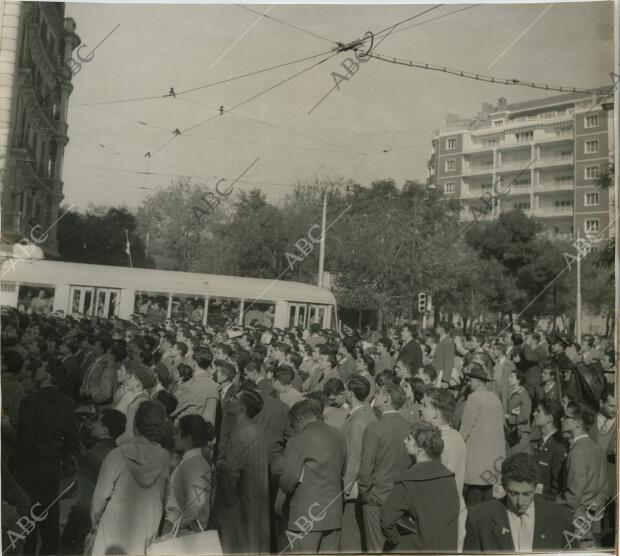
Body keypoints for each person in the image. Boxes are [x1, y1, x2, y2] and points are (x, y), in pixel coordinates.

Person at [11, 359, 78, 556]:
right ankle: (49, 551)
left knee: (28, 513)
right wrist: (61, 457)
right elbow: (71, 439)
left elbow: (26, 440)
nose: (35, 371)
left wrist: (14, 465)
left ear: (47, 374)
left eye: (40, 368)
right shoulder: (68, 403)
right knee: (49, 511)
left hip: (30, 465)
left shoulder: (30, 401)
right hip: (52, 466)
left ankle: (29, 552)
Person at [89, 401, 171, 556]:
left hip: (114, 528)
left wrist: (95, 524)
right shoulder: (166, 459)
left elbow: (99, 498)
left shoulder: (117, 455)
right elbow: (167, 499)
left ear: (135, 426)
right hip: (148, 526)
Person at [274, 398, 346, 553]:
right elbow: (343, 470)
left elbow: (288, 480)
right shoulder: (339, 435)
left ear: (299, 419)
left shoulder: (299, 439)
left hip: (305, 515)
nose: (293, 429)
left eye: (293, 425)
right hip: (334, 512)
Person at [464, 453, 573, 552]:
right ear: (504, 486)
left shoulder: (561, 517)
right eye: (514, 494)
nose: (520, 502)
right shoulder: (479, 518)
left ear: (536, 487)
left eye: (527, 494)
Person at [381, 422, 459, 552]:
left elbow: (386, 520)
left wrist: (399, 542)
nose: (404, 441)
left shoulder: (407, 480)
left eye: (409, 439)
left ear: (419, 448)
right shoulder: (448, 477)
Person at [64, 409, 126, 554]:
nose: (91, 424)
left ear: (105, 431)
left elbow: (84, 501)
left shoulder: (91, 456)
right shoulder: (120, 453)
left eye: (96, 421)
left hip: (87, 522)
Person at [358, 383, 411, 553]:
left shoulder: (374, 429)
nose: (374, 396)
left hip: (377, 498)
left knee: (375, 547)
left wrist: (366, 494)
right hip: (402, 498)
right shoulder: (409, 426)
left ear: (387, 398)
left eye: (378, 394)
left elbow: (365, 469)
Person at [217, 387, 270, 553]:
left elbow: (231, 474)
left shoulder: (238, 434)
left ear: (242, 407)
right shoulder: (258, 431)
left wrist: (229, 501)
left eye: (233, 398)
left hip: (239, 506)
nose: (228, 400)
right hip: (256, 502)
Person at [421, 387, 467, 551]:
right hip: (455, 510)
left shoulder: (438, 443)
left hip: (439, 515)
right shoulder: (457, 436)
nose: (420, 408)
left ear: (435, 413)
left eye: (424, 405)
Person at [557, 400, 608, 547]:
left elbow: (573, 494)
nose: (562, 419)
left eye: (566, 417)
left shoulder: (578, 452)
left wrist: (553, 508)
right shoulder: (596, 448)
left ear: (578, 423)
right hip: (592, 518)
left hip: (576, 520)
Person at [459, 364, 506, 507]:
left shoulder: (474, 398)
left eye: (470, 381)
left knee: (473, 503)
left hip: (476, 459)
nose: (468, 383)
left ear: (478, 381)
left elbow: (466, 427)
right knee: (487, 501)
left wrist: (457, 443)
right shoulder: (495, 398)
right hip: (492, 460)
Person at [341, 375, 377, 552]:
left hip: (354, 486)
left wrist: (344, 488)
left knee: (350, 533)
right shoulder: (369, 414)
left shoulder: (357, 422)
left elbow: (354, 458)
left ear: (350, 394)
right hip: (367, 482)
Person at [163, 415, 215, 535]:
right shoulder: (193, 460)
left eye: (177, 432)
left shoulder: (194, 464)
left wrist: (180, 524)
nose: (174, 436)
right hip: (181, 526)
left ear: (187, 437)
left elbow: (197, 501)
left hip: (181, 529)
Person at [172, 349, 219, 424]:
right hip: (205, 431)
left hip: (186, 429)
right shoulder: (214, 385)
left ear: (195, 362)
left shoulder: (190, 384)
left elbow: (172, 408)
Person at [505, 368, 532, 455]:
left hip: (520, 433)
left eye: (511, 377)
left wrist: (508, 417)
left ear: (518, 380)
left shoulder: (523, 394)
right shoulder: (513, 393)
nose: (509, 379)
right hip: (514, 432)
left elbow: (524, 417)